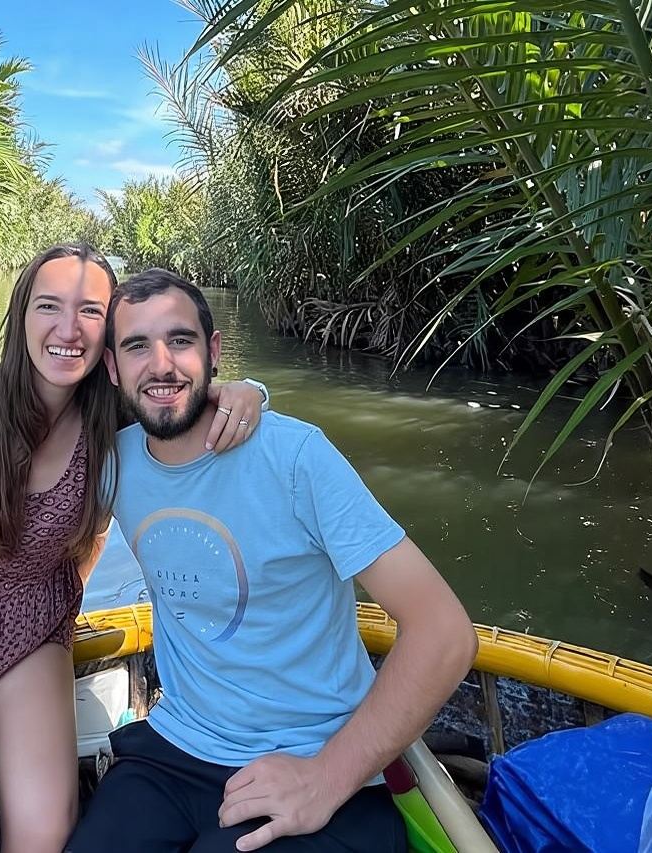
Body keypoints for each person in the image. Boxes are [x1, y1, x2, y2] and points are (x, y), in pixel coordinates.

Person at [0, 246, 265, 853]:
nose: (68, 329)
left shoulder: (114, 422)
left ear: (109, 336)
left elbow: (185, 395)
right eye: (49, 307)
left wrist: (250, 390)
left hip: (30, 631)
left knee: (44, 832)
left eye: (90, 311)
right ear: (21, 317)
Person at [68, 269, 478, 853]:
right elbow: (60, 529)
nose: (160, 364)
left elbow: (444, 633)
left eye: (180, 340)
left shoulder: (296, 457)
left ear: (213, 352)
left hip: (314, 759)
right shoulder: (115, 462)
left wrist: (327, 778)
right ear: (111, 368)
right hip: (177, 748)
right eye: (137, 346)